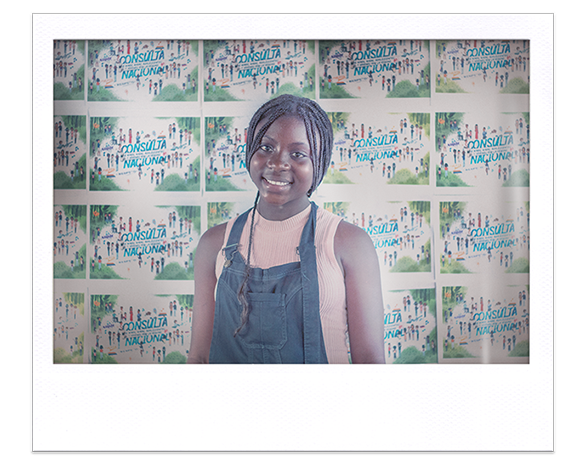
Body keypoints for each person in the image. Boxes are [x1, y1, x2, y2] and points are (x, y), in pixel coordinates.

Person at [187, 94, 385, 364]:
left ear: (320, 163)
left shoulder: (349, 243)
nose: (277, 163)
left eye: (298, 154)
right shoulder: (214, 244)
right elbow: (199, 358)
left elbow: (370, 360)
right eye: (266, 148)